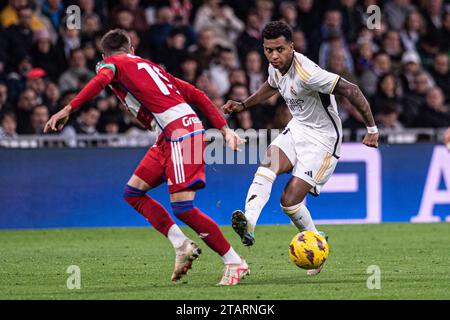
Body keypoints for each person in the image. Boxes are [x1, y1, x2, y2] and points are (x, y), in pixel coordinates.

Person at [44, 29, 249, 286]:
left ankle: (233, 260)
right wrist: (225, 129)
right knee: (133, 193)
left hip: (182, 135)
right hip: (170, 136)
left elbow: (101, 79)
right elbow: (196, 94)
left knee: (183, 208)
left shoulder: (112, 64)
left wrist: (67, 109)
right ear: (131, 50)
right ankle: (181, 244)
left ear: (104, 55)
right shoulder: (151, 67)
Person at [222, 21, 379, 276]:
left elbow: (352, 89)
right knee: (267, 165)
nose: (274, 55)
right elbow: (272, 85)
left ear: (292, 47)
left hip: (323, 140)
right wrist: (244, 105)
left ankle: (317, 242)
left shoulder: (308, 72)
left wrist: (372, 130)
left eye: (280, 49)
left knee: (289, 201)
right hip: (298, 129)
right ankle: (248, 222)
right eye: (268, 50)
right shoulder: (276, 66)